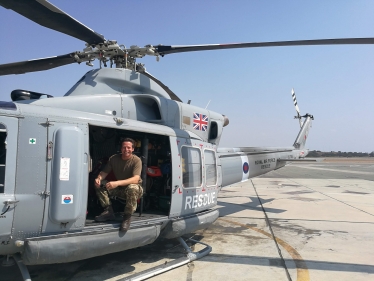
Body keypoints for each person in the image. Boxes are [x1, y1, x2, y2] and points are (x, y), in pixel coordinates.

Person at [94, 138, 143, 233]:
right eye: (124, 147)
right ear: (120, 149)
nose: (126, 150)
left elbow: (135, 179)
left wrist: (116, 183)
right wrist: (98, 178)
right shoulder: (114, 158)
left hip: (134, 190)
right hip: (120, 188)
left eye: (129, 148)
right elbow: (104, 172)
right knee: (100, 185)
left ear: (133, 149)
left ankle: (127, 217)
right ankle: (108, 211)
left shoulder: (137, 160)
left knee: (132, 188)